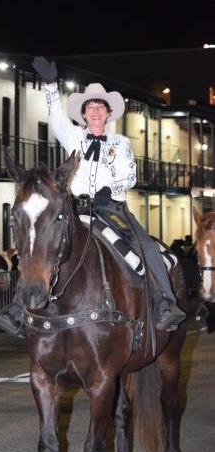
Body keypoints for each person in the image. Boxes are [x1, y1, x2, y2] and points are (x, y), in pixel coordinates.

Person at [31, 56, 185, 332]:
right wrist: (51, 86)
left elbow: (129, 176)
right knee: (41, 241)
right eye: (90, 107)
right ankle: (22, 307)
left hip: (111, 209)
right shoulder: (74, 136)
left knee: (147, 247)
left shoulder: (120, 143)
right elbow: (55, 120)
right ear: (84, 113)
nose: (95, 111)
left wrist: (108, 190)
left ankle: (165, 302)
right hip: (76, 210)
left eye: (99, 107)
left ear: (107, 113)